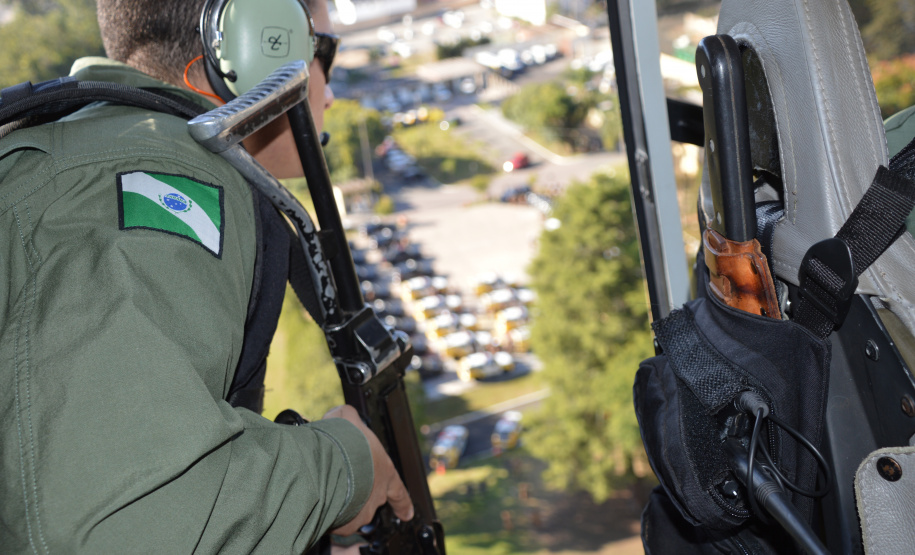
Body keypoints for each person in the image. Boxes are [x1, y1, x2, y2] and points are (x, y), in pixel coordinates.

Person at [0, 0, 413, 552]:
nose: (330, 92)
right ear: (256, 38)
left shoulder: (90, 151)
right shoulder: (161, 180)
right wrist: (343, 469)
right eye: (324, 53)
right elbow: (128, 522)